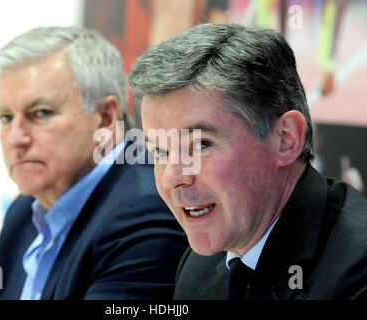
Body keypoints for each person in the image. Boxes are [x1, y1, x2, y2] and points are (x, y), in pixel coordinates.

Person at [128, 23, 367, 300]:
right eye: (160, 152)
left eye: (200, 145)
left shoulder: (357, 270)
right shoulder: (199, 267)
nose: (171, 178)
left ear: (286, 139)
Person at [0, 26, 187, 300]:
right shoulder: (27, 209)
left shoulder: (144, 216)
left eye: (40, 113)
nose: (15, 138)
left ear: (105, 118)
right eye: (6, 117)